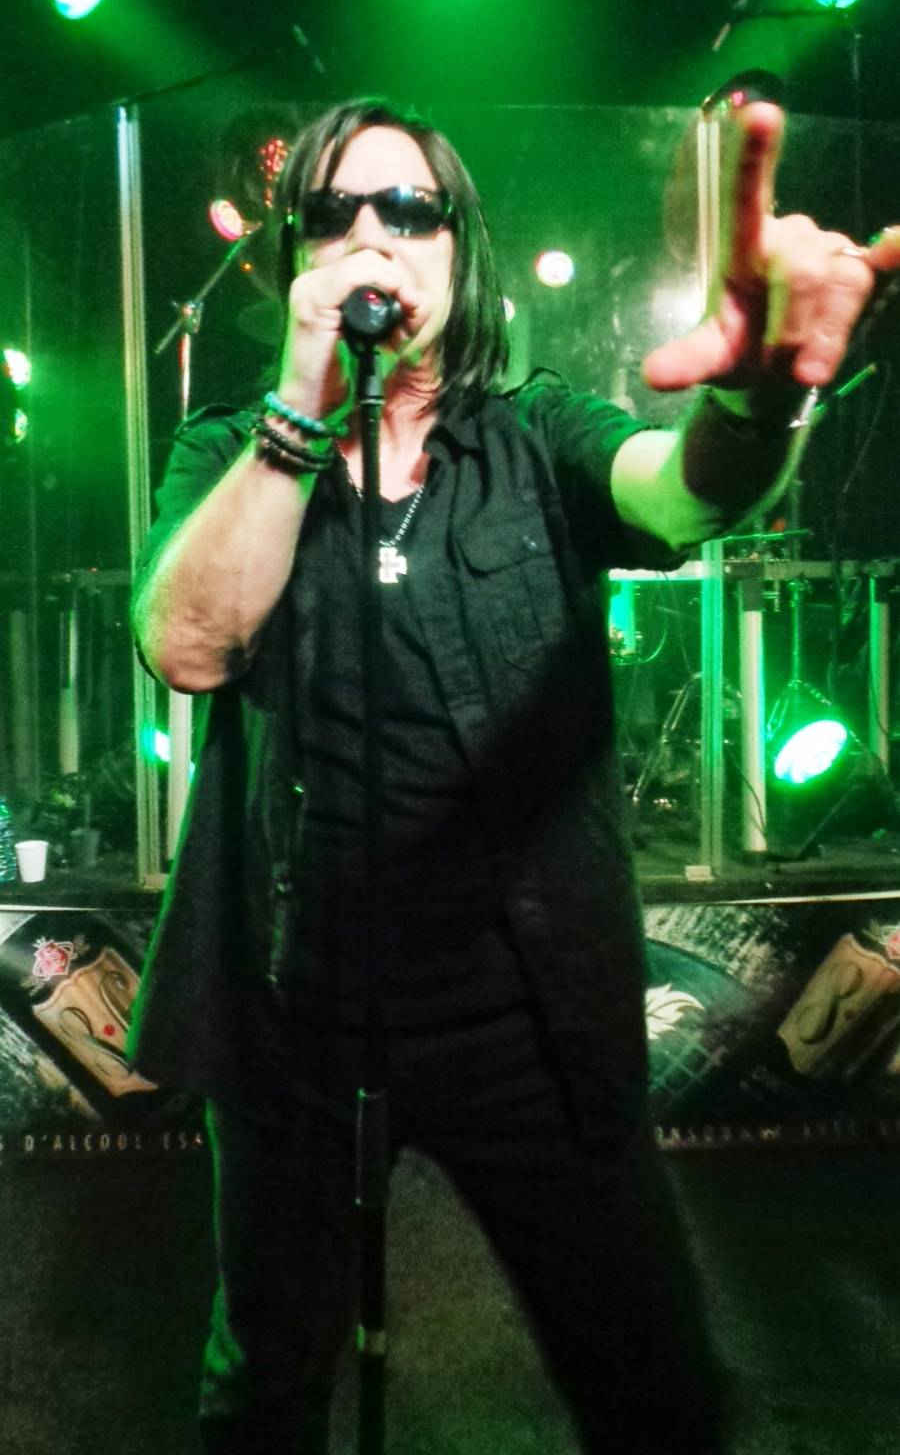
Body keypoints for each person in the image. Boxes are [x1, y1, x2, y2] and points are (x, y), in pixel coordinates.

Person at [128, 95, 898, 1454]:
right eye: (333, 212)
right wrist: (302, 407)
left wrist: (762, 397)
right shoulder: (230, 452)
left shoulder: (535, 432)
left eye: (409, 210)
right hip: (294, 1011)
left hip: (526, 1017)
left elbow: (684, 490)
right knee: (263, 1388)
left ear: (457, 248)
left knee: (649, 1378)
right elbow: (190, 644)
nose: (373, 236)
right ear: (292, 257)